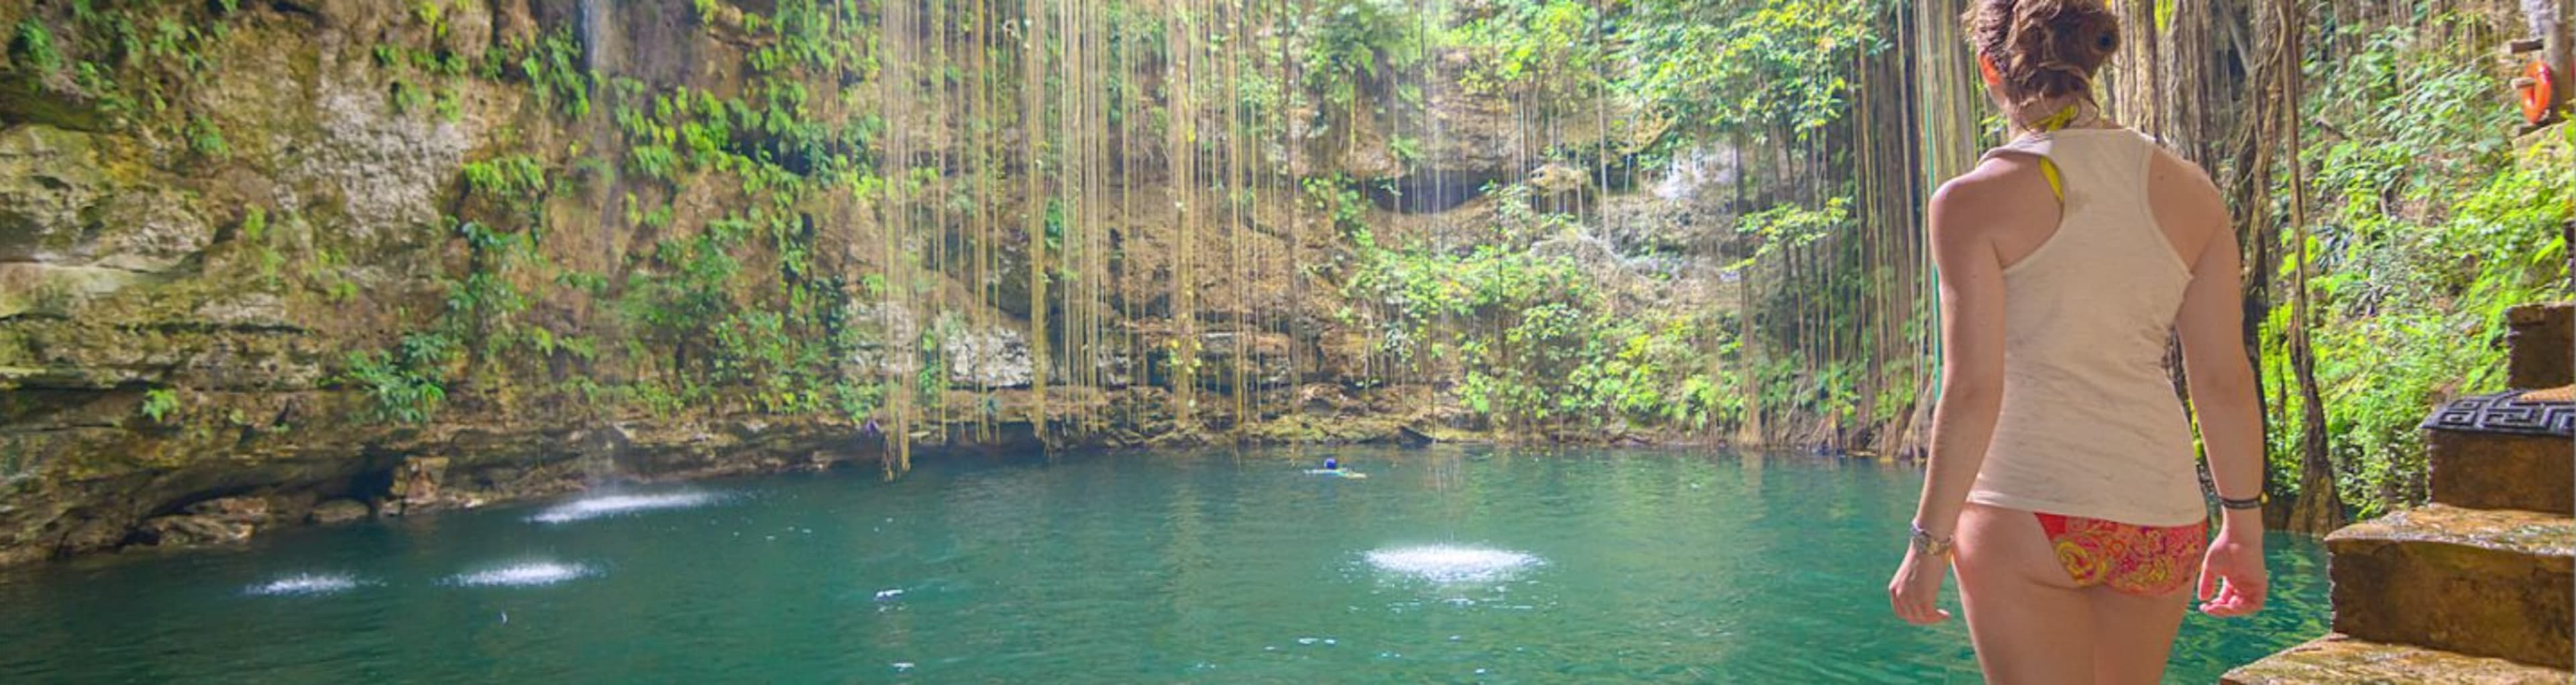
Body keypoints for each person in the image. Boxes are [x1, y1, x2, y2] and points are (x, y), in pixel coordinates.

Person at [1885, 1, 2268, 683]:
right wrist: (2242, 527)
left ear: (1989, 69)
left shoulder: (1973, 201)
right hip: (2160, 512)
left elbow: (1974, 386)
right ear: (2096, 59)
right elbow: (2221, 378)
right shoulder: (2192, 192)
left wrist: (1929, 542)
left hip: (2022, 508)